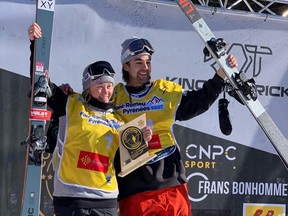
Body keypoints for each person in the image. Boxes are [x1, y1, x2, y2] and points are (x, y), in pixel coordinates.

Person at [27, 23, 152, 216]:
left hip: (106, 199)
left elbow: (125, 165)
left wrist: (141, 143)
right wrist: (35, 45)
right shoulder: (71, 104)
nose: (106, 91)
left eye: (109, 86)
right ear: (88, 87)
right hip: (71, 197)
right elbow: (41, 83)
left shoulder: (118, 119)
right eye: (99, 85)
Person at [113, 37, 238, 216]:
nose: (145, 67)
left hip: (171, 184)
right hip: (134, 189)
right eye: (138, 62)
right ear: (125, 66)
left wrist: (221, 75)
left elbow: (198, 101)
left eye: (148, 62)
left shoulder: (165, 91)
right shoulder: (114, 97)